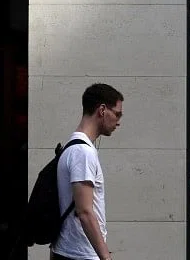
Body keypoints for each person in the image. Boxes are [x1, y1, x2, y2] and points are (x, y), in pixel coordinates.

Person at [51, 83, 124, 260]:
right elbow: (84, 212)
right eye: (117, 114)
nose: (118, 122)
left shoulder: (72, 147)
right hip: (80, 254)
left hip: (69, 251)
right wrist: (105, 257)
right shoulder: (82, 152)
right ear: (102, 110)